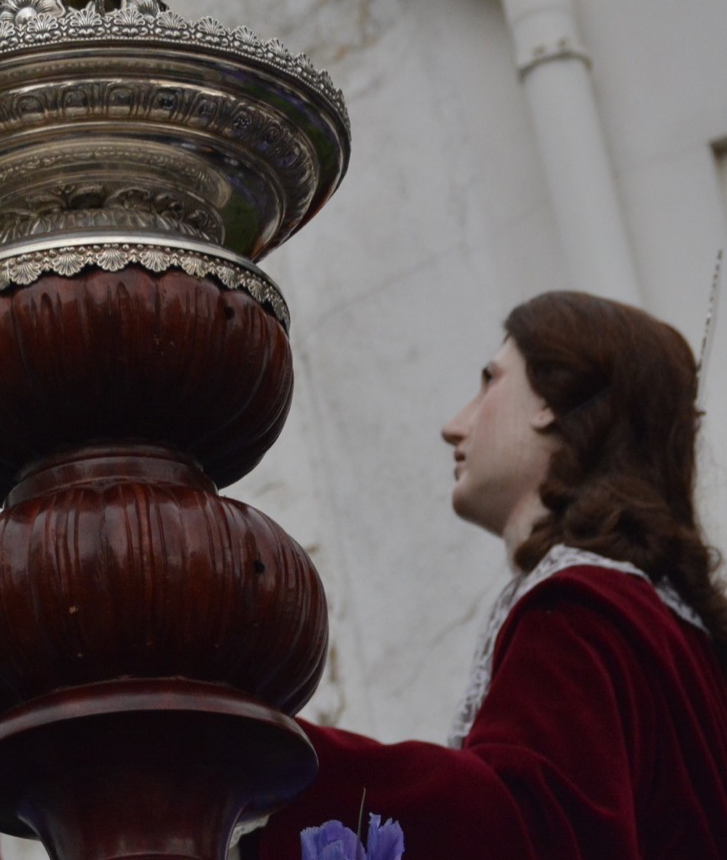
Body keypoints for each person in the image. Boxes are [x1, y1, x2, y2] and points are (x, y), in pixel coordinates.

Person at [249, 291, 727, 859]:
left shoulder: (579, 609)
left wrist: (272, 758)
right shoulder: (681, 637)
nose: (454, 427)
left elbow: (525, 829)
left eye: (490, 380)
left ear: (552, 399)